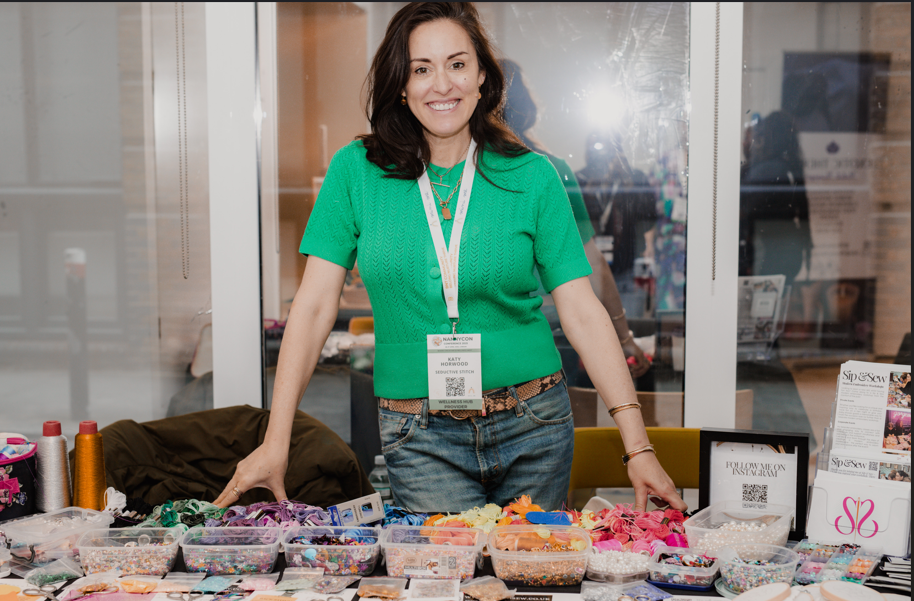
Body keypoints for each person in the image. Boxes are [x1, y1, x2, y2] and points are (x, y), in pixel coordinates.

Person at [215, 2, 685, 513]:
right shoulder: (355, 172)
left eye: (457, 64)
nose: (442, 84)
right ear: (401, 84)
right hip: (419, 433)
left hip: (534, 420)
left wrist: (637, 445)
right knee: (444, 581)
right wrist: (275, 439)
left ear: (482, 76)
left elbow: (581, 310)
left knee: (529, 581)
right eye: (422, 69)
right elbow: (311, 308)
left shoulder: (532, 176)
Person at [500, 58, 650, 379]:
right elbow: (593, 264)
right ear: (525, 106)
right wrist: (623, 338)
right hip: (548, 328)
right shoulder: (550, 169)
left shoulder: (447, 174)